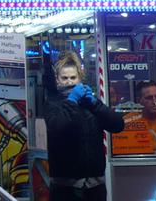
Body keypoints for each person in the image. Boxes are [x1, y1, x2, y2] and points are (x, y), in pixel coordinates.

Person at [44, 50, 124, 201]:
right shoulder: (52, 104)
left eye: (73, 78)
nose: (69, 82)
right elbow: (58, 127)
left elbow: (117, 125)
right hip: (65, 186)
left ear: (80, 78)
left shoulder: (90, 104)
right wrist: (72, 100)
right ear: (57, 80)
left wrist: (95, 104)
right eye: (64, 78)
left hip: (95, 185)